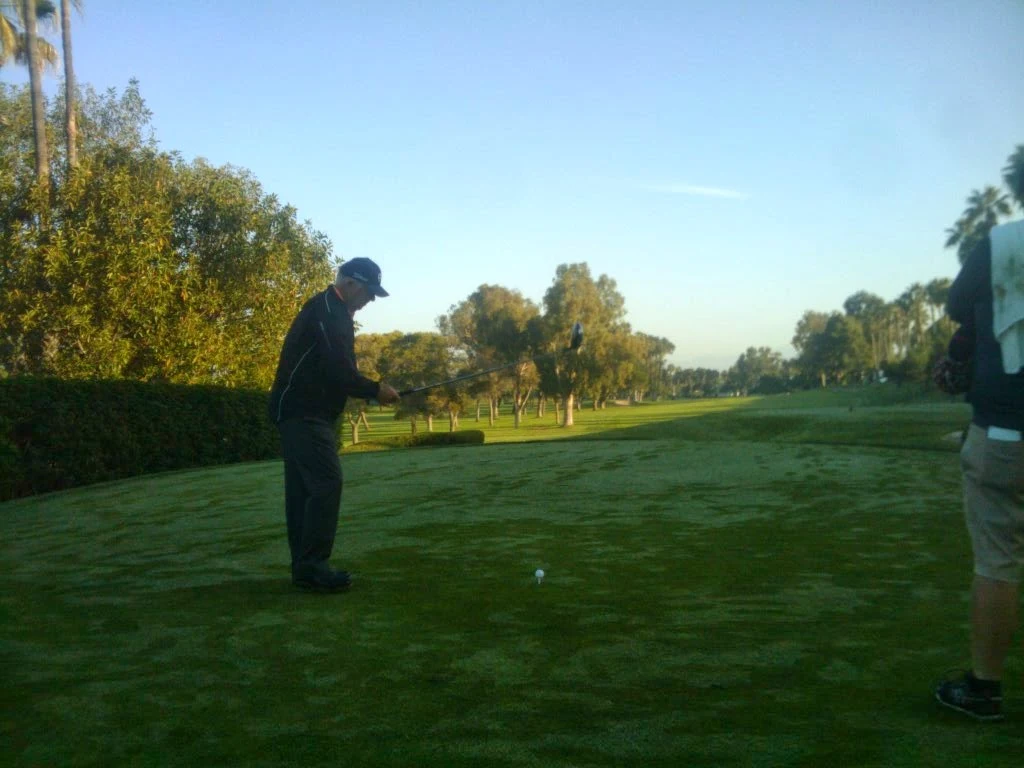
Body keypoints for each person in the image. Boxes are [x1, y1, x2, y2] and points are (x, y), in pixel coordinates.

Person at [268, 257, 400, 592]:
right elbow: (338, 370)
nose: (370, 300)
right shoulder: (329, 312)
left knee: (302, 491)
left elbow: (334, 372)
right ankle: (313, 567)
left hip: (302, 412)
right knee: (327, 482)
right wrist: (375, 390)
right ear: (350, 283)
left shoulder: (331, 309)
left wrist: (371, 392)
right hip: (303, 412)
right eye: (369, 292)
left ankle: (305, 569)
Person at [935, 231, 1024, 721]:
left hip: (1006, 432)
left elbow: (957, 306)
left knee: (997, 564)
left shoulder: (1004, 241)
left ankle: (984, 689)